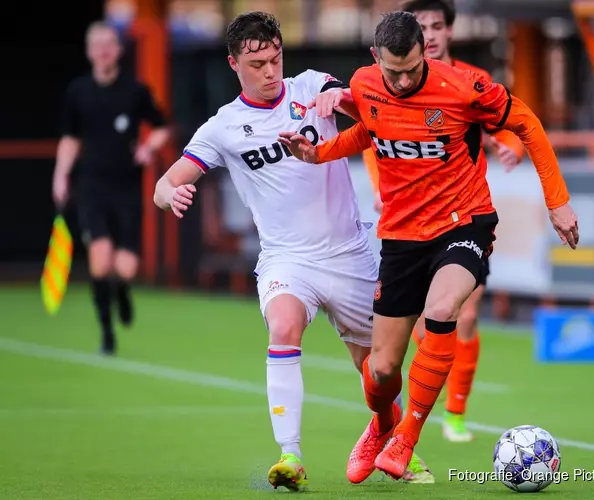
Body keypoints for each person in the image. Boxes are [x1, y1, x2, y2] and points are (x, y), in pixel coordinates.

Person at [278, 11, 578, 482]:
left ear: (425, 52)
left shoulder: (463, 87)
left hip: (465, 221)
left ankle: (407, 438)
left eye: (411, 70)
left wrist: (557, 202)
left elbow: (529, 125)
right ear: (377, 59)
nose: (401, 81)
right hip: (401, 235)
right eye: (392, 72)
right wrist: (318, 153)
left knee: (444, 309)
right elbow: (371, 132)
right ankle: (383, 425)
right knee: (380, 371)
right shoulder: (365, 83)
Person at [152, 12, 433, 491]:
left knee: (380, 376)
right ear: (233, 63)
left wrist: (342, 96)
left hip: (350, 255)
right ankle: (291, 456)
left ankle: (391, 436)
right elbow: (166, 181)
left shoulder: (311, 87)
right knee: (283, 325)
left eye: (276, 58)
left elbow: (369, 107)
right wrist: (169, 194)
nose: (269, 70)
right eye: (257, 62)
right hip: (288, 261)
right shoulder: (224, 127)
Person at [395, 0, 526, 443]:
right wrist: (381, 188)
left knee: (464, 315)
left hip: (464, 219)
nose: (429, 35)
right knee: (421, 324)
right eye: (421, 28)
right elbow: (375, 139)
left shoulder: (471, 82)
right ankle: (419, 406)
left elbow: (507, 123)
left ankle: (454, 413)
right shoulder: (396, 83)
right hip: (412, 224)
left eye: (436, 26)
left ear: (450, 31)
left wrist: (511, 146)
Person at [52, 21, 170, 356]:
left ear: (118, 50)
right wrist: (60, 176)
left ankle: (121, 292)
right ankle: (107, 334)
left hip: (128, 189)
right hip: (91, 188)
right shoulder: (78, 92)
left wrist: (148, 148)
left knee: (125, 268)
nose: (103, 51)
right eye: (97, 45)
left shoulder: (135, 91)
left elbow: (161, 128)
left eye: (109, 44)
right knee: (100, 262)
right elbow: (70, 139)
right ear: (89, 52)